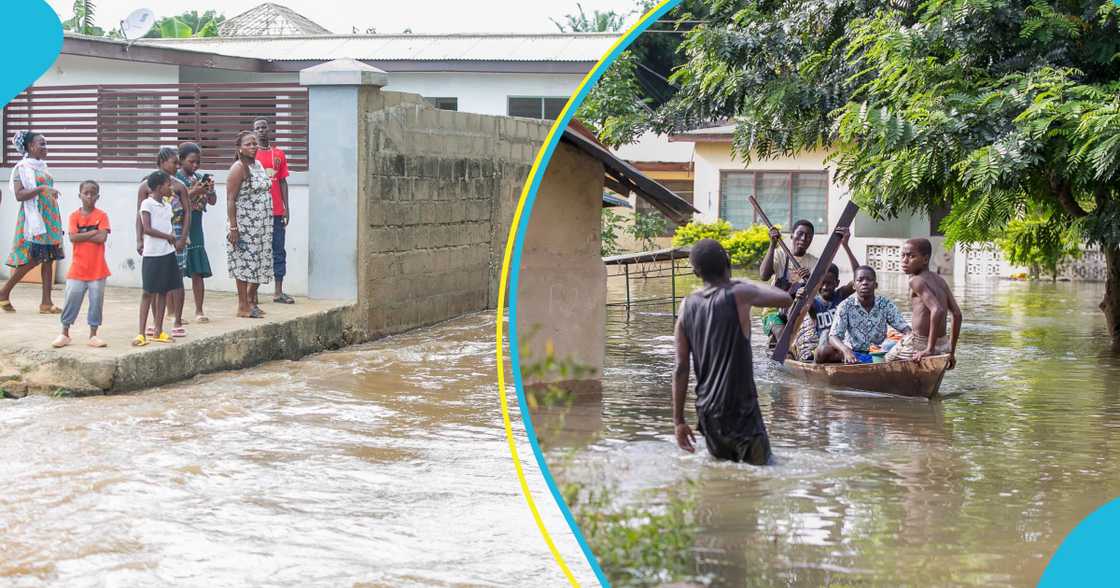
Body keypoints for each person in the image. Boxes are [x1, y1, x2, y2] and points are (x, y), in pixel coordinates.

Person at [672, 239, 793, 465]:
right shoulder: (739, 293)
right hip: (741, 411)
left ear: (696, 273)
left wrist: (678, 421)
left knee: (721, 478)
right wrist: (743, 280)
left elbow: (680, 367)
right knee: (760, 477)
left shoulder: (686, 305)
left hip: (708, 412)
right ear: (728, 263)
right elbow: (784, 298)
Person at [0, 131, 64, 314]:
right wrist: (43, 188)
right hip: (34, 220)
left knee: (49, 258)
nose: (45, 148)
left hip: (49, 218)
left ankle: (46, 303)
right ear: (29, 147)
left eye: (45, 144)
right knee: (35, 258)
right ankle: (3, 291)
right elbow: (19, 195)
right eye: (41, 144)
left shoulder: (42, 166)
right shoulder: (22, 168)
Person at [136, 147, 191, 338]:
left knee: (175, 280)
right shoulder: (146, 188)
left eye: (178, 163)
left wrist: (183, 237)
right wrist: (139, 239)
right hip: (156, 241)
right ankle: (153, 323)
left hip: (174, 236)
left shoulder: (179, 186)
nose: (177, 166)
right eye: (174, 162)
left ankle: (176, 320)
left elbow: (187, 212)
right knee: (153, 285)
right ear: (161, 162)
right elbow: (142, 220)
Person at [886, 238, 962, 367]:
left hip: (921, 343)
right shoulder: (940, 280)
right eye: (903, 255)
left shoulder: (916, 280)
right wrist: (951, 352)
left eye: (911, 256)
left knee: (887, 360)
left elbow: (937, 310)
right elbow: (957, 314)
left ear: (925, 259)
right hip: (943, 343)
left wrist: (929, 349)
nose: (905, 260)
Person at [54, 181, 110, 348]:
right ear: (80, 195)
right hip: (78, 268)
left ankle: (93, 334)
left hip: (98, 269)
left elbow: (102, 237)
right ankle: (64, 333)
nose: (89, 196)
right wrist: (94, 232)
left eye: (93, 193)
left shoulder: (102, 215)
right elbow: (72, 238)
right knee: (71, 299)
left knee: (96, 302)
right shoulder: (74, 216)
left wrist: (83, 234)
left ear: (97, 197)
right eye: (86, 193)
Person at [227, 130, 274, 319]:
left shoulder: (259, 165)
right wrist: (233, 227)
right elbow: (231, 199)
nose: (253, 146)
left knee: (261, 262)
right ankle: (242, 306)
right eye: (248, 144)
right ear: (240, 148)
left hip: (262, 225)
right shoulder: (238, 168)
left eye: (254, 143)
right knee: (244, 264)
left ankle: (250, 301)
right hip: (245, 225)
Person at [828, 266, 912, 364]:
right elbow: (833, 336)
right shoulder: (845, 306)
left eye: (869, 280)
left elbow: (904, 328)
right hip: (854, 353)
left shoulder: (886, 304)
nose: (864, 283)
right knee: (825, 351)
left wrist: (910, 338)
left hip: (880, 353)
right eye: (860, 280)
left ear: (875, 285)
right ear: (854, 285)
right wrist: (845, 350)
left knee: (900, 344)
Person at [136, 172, 180, 346]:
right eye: (168, 184)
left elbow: (168, 226)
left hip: (167, 253)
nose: (171, 187)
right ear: (159, 187)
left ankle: (158, 330)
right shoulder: (147, 204)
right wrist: (167, 237)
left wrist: (173, 236)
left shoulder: (167, 205)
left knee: (163, 292)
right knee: (148, 293)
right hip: (152, 254)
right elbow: (147, 228)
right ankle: (141, 333)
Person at [253, 118, 294, 305]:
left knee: (278, 251)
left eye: (263, 127)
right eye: (257, 128)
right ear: (254, 132)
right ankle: (252, 293)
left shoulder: (278, 154)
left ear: (269, 130)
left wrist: (286, 208)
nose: (261, 131)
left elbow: (283, 181)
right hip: (258, 212)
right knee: (258, 251)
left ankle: (278, 292)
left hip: (277, 211)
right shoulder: (250, 155)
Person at [759, 219, 818, 347]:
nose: (803, 238)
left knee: (811, 336)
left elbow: (817, 293)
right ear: (792, 235)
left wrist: (810, 278)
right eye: (800, 234)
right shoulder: (779, 254)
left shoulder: (813, 263)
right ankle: (784, 348)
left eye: (808, 236)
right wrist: (772, 244)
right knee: (782, 334)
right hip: (773, 310)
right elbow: (763, 276)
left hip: (797, 311)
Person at [176, 142, 217, 323]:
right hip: (179, 225)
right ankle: (173, 311)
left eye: (198, 162)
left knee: (198, 270)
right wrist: (195, 191)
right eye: (191, 162)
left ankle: (199, 310)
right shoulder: (175, 179)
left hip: (196, 225)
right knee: (176, 270)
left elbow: (213, 201)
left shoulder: (199, 177)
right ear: (181, 160)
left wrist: (210, 191)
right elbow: (176, 201)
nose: (195, 166)